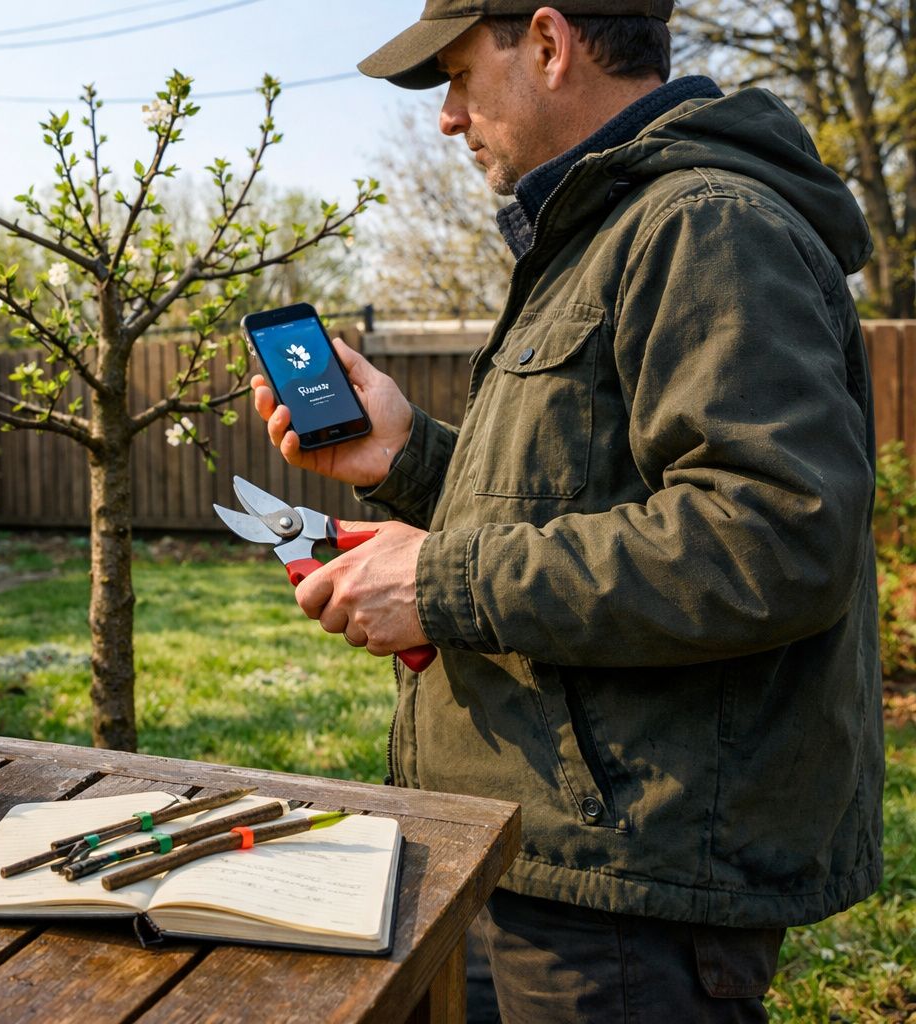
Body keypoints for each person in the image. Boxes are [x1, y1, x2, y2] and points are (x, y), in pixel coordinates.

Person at [251, 3, 883, 1021]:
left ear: (547, 44)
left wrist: (437, 581)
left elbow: (776, 535)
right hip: (546, 856)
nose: (449, 117)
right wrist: (408, 455)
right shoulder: (604, 232)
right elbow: (575, 496)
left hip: (627, 902)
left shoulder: (704, 224)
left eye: (458, 75)